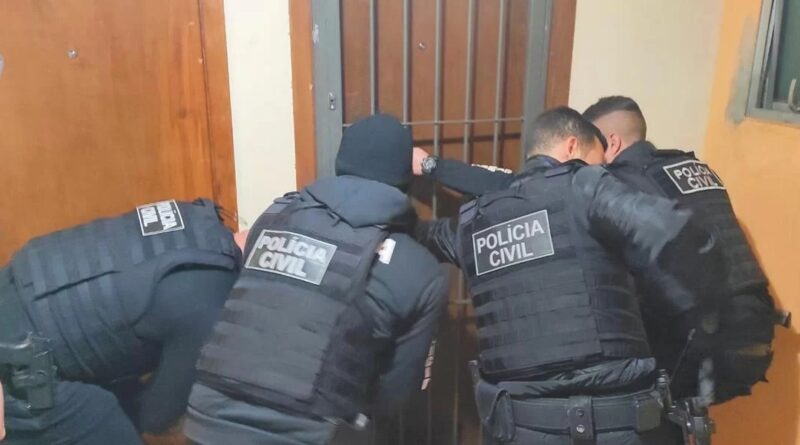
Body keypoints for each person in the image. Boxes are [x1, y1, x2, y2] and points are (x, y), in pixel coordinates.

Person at [414, 96, 784, 405]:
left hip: (697, 346)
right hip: (757, 333)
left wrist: (434, 167)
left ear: (610, 144)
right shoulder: (694, 168)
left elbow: (523, 189)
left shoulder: (614, 181)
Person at [184, 114, 450, 445]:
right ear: (405, 181)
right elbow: (395, 396)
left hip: (207, 421)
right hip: (306, 435)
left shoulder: (275, 216)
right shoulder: (419, 269)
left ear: (340, 164)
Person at [0, 198, 241, 445]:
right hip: (27, 364)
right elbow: (156, 419)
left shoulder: (199, 220)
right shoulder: (210, 309)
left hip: (15, 287)